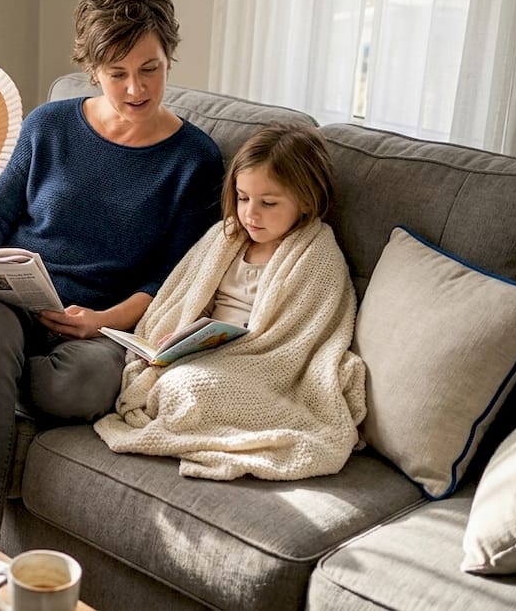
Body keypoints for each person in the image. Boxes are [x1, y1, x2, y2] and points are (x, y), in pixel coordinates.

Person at [0, 0, 224, 542]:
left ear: (169, 58)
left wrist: (102, 320)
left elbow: (172, 278)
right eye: (116, 73)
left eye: (150, 68)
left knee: (84, 389)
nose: (135, 88)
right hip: (0, 301)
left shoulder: (195, 160)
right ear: (93, 70)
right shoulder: (50, 126)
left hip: (97, 326)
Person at [93, 124, 368, 481]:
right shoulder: (225, 237)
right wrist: (179, 336)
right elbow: (188, 297)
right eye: (242, 198)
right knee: (166, 382)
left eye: (268, 203)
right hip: (203, 350)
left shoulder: (316, 255)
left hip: (261, 363)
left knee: (183, 389)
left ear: (305, 200)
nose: (251, 214)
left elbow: (299, 338)